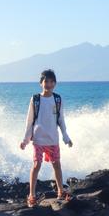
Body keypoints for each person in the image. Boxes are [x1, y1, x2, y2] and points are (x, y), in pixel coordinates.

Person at [20, 69, 73, 207]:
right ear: (41, 83)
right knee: (36, 165)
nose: (48, 84)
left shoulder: (57, 99)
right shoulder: (35, 99)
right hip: (38, 140)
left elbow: (61, 120)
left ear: (55, 83)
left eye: (51, 81)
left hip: (53, 140)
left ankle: (60, 191)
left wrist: (66, 138)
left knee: (57, 165)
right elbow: (29, 121)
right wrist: (25, 140)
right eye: (46, 81)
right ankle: (32, 195)